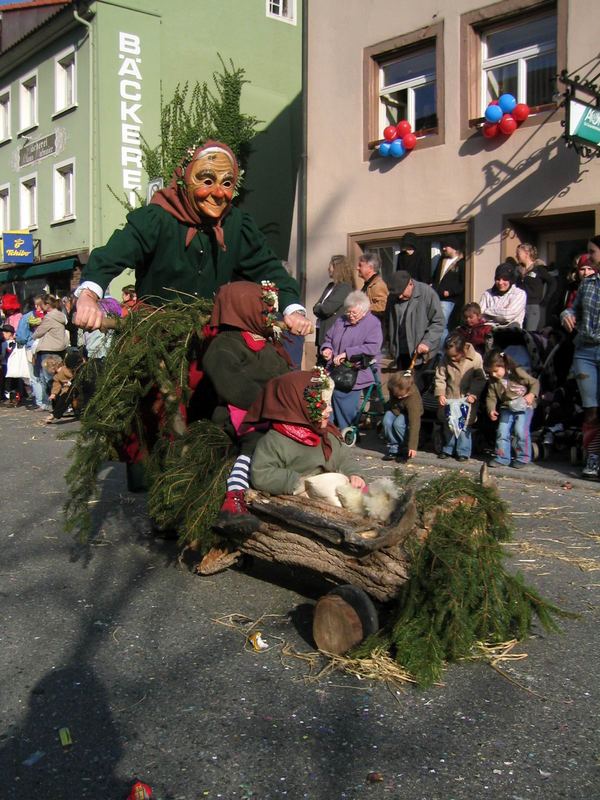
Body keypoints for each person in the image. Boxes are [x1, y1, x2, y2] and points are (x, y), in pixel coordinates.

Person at [74, 140, 311, 339]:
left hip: (207, 341)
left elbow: (270, 269)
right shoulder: (157, 218)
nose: (218, 193)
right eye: (207, 180)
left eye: (226, 183)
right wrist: (88, 296)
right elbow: (113, 254)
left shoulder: (237, 225)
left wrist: (293, 309)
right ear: (185, 180)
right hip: (153, 338)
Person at [202, 281, 292, 531]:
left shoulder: (269, 344)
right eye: (263, 311)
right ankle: (235, 499)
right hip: (241, 413)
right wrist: (268, 404)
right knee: (258, 439)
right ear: (243, 309)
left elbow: (285, 376)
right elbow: (229, 380)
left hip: (276, 409)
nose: (268, 316)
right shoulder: (225, 344)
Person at [245, 368, 366, 496]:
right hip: (299, 501)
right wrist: (297, 482)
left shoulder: (327, 435)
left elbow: (344, 458)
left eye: (329, 403)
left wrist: (354, 474)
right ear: (298, 405)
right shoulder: (276, 441)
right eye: (323, 404)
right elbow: (261, 473)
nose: (330, 410)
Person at [560, 235, 600, 480]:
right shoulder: (587, 283)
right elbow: (574, 309)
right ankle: (593, 458)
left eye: (592, 252)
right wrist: (566, 313)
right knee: (592, 409)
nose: (590, 256)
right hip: (584, 351)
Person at [320, 290, 383, 430]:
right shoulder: (340, 320)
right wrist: (327, 349)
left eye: (354, 313)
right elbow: (328, 339)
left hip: (356, 370)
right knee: (324, 395)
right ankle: (329, 428)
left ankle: (344, 428)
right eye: (348, 312)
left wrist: (347, 354)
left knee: (341, 395)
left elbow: (372, 347)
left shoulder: (373, 324)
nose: (350, 315)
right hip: (335, 369)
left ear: (364, 311)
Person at [434, 333, 486, 462]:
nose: (452, 359)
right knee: (449, 424)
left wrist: (473, 393)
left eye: (455, 356)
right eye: (450, 356)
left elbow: (480, 378)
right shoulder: (445, 359)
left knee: (464, 426)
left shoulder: (475, 359)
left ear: (463, 350)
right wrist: (440, 393)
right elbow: (440, 377)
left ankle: (463, 451)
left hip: (466, 399)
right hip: (450, 396)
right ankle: (448, 448)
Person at [484, 349, 539, 469]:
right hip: (507, 406)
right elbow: (491, 396)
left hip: (524, 406)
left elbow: (534, 383)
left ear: (502, 365)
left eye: (495, 371)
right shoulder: (494, 381)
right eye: (490, 372)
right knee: (502, 432)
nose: (493, 374)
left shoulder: (516, 372)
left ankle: (523, 457)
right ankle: (502, 457)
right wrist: (491, 409)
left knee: (520, 431)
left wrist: (531, 395)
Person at [385, 270, 445, 379]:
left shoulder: (427, 293)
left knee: (416, 390)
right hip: (401, 352)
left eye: (402, 292)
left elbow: (438, 322)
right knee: (402, 389)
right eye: (397, 294)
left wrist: (427, 342)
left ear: (410, 284)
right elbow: (387, 322)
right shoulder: (393, 297)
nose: (399, 297)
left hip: (421, 354)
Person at [31, 295, 68, 411]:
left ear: (47, 305)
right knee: (59, 376)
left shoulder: (49, 317)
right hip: (59, 349)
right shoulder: (61, 315)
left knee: (49, 379)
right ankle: (60, 403)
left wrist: (34, 330)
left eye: (42, 304)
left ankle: (53, 404)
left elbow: (38, 333)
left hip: (48, 350)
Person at [312, 255, 354, 347]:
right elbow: (316, 307)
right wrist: (319, 307)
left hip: (332, 336)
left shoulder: (344, 287)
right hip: (321, 331)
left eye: (330, 266)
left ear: (337, 268)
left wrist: (319, 307)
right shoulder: (330, 286)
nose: (328, 269)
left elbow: (327, 309)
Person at [381, 370, 423, 462]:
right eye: (397, 396)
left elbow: (414, 423)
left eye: (401, 396)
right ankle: (394, 447)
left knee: (398, 424)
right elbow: (393, 403)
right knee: (387, 420)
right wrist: (396, 413)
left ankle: (405, 447)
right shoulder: (394, 387)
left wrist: (413, 446)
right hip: (397, 409)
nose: (399, 398)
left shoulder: (413, 399)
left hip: (411, 413)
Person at [515, 243, 556, 331]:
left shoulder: (539, 269)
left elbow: (552, 282)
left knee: (530, 334)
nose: (516, 255)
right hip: (519, 306)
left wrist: (546, 300)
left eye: (518, 253)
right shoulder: (518, 271)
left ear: (527, 253)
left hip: (532, 306)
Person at [431, 235, 465, 338]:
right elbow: (435, 277)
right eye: (443, 246)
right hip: (436, 297)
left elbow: (462, 283)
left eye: (446, 246)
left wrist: (450, 292)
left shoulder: (461, 263)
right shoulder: (442, 261)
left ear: (454, 247)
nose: (443, 248)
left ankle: (442, 352)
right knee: (435, 325)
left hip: (449, 300)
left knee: (442, 325)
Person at [479, 263, 527, 328]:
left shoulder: (519, 294)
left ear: (511, 280)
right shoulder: (487, 294)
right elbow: (480, 315)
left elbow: (508, 315)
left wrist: (487, 311)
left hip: (510, 333)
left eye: (505, 279)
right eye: (498, 279)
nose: (501, 282)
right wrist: (502, 311)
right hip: (489, 332)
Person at [46, 349, 85, 424]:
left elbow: (72, 375)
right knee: (69, 400)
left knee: (71, 399)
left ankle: (76, 411)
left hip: (72, 387)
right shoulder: (57, 375)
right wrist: (53, 393)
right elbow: (56, 384)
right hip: (67, 388)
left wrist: (70, 381)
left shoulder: (64, 369)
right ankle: (76, 412)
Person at [357, 251, 389, 320]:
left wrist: (361, 308)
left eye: (360, 265)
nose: (357, 268)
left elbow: (383, 305)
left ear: (370, 268)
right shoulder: (369, 284)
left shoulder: (378, 284)